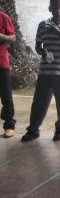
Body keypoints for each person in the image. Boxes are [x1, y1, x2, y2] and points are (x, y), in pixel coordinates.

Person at [22, 0, 60, 142]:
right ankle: (33, 130)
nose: (58, 10)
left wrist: (58, 32)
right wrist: (43, 52)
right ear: (50, 9)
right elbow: (38, 46)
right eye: (55, 7)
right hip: (45, 71)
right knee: (39, 102)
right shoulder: (42, 25)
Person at [0, 9, 16, 138]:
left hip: (2, 63)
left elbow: (13, 37)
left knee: (6, 95)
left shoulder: (3, 17)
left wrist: (2, 37)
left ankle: (9, 125)